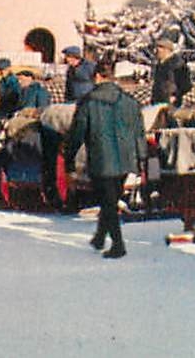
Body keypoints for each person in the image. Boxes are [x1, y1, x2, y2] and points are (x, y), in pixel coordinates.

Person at [62, 60, 146, 259]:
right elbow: (139, 133)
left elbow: (77, 133)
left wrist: (69, 158)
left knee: (108, 202)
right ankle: (100, 237)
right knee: (111, 199)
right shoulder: (131, 102)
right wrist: (141, 159)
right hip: (126, 160)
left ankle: (118, 245)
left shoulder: (88, 102)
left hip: (101, 158)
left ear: (97, 77)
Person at [150, 37, 192, 108]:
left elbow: (186, 85)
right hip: (158, 102)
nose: (155, 52)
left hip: (172, 103)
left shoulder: (178, 64)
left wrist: (176, 96)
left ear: (166, 50)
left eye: (158, 49)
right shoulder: (159, 65)